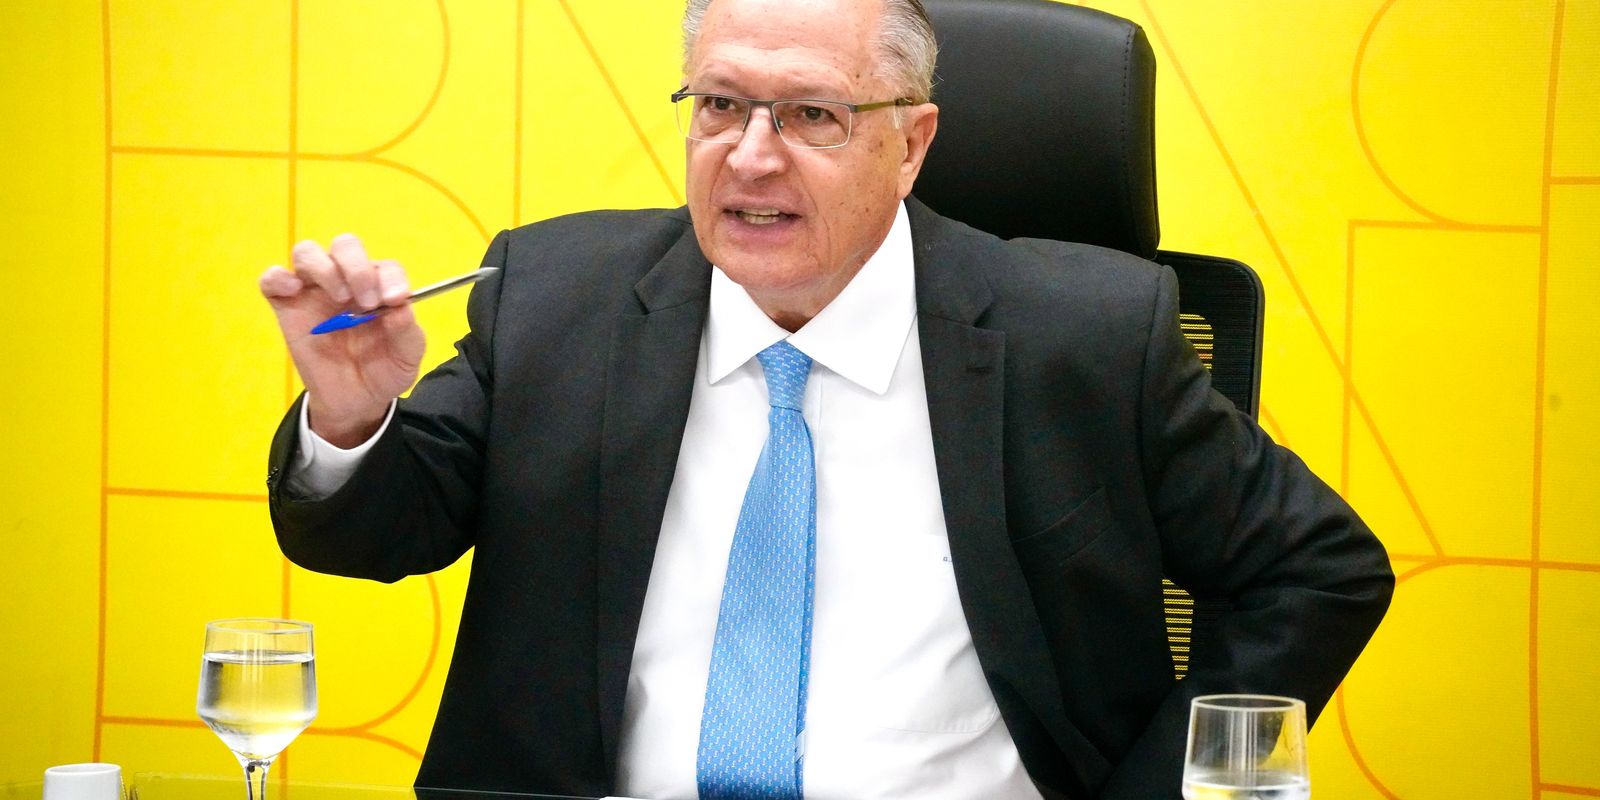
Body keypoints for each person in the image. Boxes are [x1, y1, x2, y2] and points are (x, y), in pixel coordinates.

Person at [260, 0, 1394, 797]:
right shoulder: (558, 298)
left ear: (911, 143)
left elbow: (1319, 569)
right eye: (720, 105)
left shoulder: (1082, 337)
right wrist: (353, 418)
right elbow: (374, 535)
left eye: (811, 115)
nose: (750, 157)